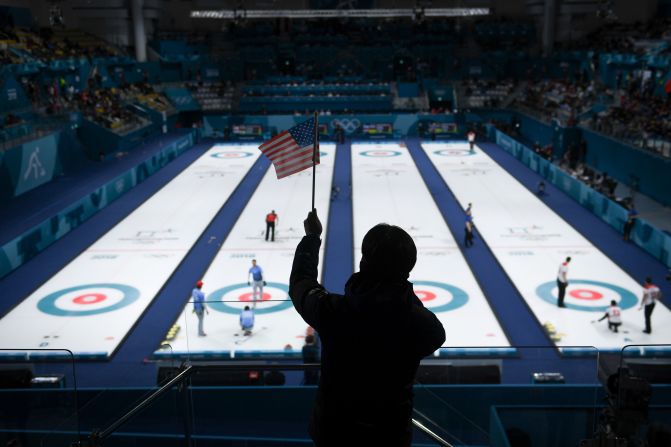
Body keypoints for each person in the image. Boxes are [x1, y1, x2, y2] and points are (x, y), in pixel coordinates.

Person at [289, 209, 445, 447]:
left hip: (335, 432)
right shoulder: (421, 324)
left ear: (364, 263)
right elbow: (432, 335)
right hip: (390, 434)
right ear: (407, 269)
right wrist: (402, 294)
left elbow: (301, 284)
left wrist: (312, 238)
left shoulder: (334, 312)